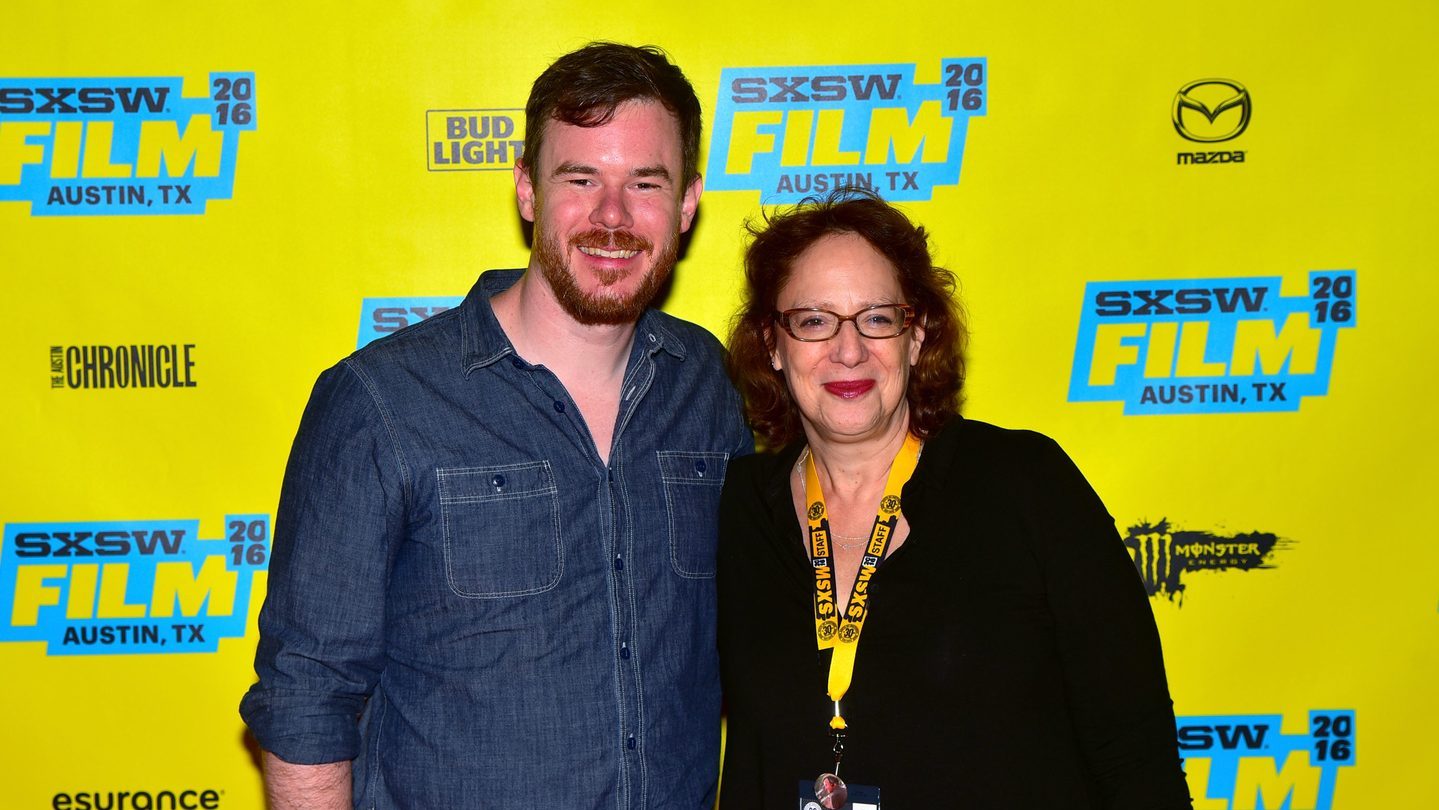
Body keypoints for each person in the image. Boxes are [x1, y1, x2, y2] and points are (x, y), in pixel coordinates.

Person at [240, 42, 751, 809]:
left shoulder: (708, 387)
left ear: (686, 203)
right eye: (579, 180)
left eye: (644, 183)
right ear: (525, 191)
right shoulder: (382, 402)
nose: (611, 217)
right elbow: (305, 697)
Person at [717, 189, 1192, 809]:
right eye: (814, 321)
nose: (849, 348)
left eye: (878, 318)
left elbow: (1135, 753)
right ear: (773, 345)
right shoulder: (738, 512)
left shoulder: (1026, 486)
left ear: (916, 337)